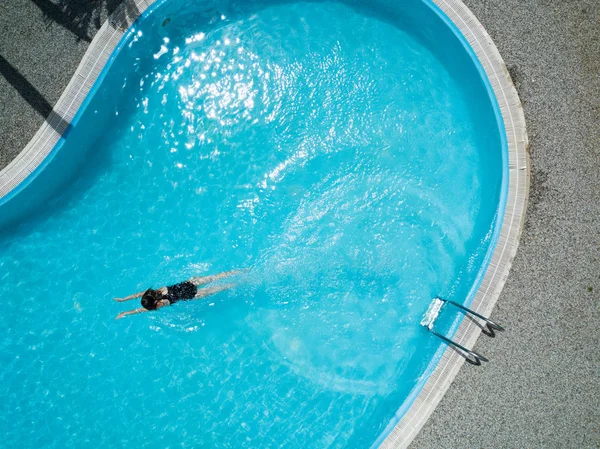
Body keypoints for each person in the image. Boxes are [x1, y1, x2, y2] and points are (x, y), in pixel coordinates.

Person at [114, 269, 243, 320]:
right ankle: (241, 271)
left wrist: (126, 313)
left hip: (195, 294)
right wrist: (124, 299)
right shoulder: (159, 291)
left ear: (155, 304)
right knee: (215, 277)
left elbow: (139, 310)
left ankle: (241, 282)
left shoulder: (162, 304)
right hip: (190, 283)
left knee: (222, 287)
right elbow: (137, 295)